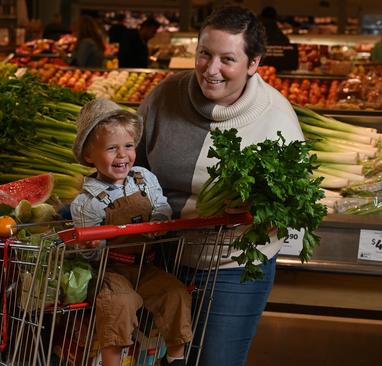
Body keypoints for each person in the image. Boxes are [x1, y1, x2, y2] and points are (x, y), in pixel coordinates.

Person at [136, 5, 304, 366]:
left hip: (232, 265)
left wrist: (256, 212)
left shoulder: (276, 118)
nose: (211, 70)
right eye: (204, 54)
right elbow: (133, 164)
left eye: (227, 59)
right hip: (162, 257)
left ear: (253, 63)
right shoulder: (164, 97)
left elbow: (292, 209)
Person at [70, 98, 191, 366]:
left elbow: (161, 205)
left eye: (128, 146)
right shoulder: (88, 202)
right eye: (112, 149)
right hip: (110, 271)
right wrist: (93, 245)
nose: (123, 155)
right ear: (90, 156)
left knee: (175, 293)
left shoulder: (144, 179)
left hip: (146, 266)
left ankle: (175, 358)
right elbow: (87, 253)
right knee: (119, 304)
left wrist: (159, 221)